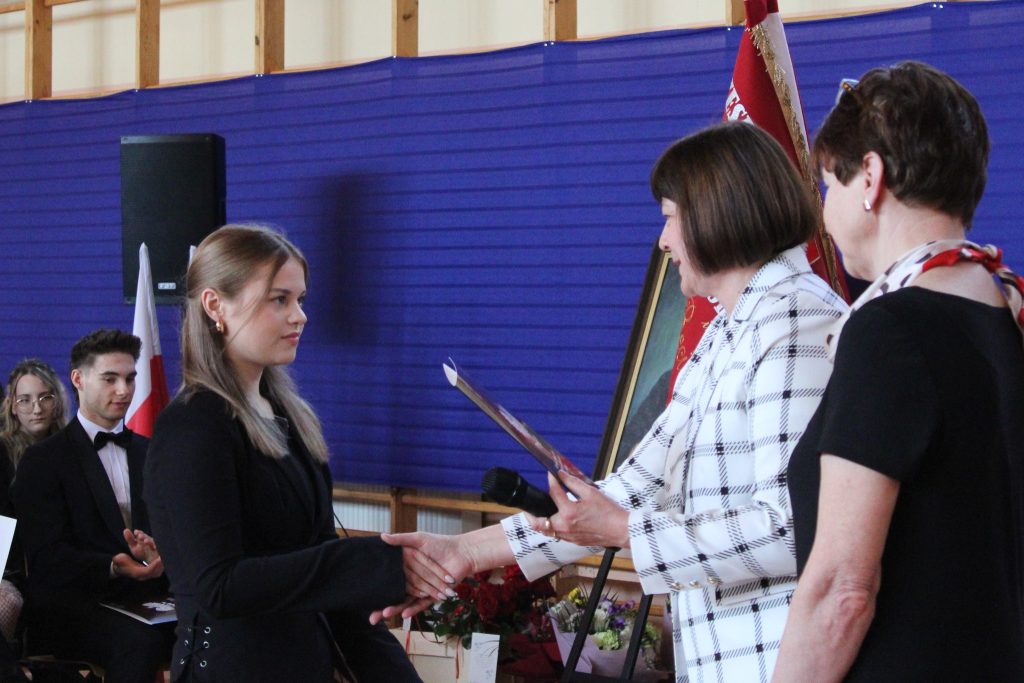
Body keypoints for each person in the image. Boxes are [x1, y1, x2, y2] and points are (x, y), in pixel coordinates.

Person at [378, 122, 849, 682]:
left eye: (670, 217)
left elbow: (791, 528)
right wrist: (465, 553)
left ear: (716, 214)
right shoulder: (729, 330)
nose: (663, 241)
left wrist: (627, 532)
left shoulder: (793, 320)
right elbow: (629, 490)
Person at [775, 61, 1024, 681]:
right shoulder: (1008, 313)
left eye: (827, 186)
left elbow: (842, 591)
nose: (824, 213)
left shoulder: (889, 331)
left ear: (870, 177)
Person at [143, 225, 445, 682]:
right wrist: (370, 561)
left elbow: (329, 587)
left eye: (300, 299)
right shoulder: (192, 426)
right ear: (215, 306)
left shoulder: (289, 416)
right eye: (279, 299)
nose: (300, 316)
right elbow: (219, 587)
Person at [11, 330, 172, 683]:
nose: (124, 390)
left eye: (130, 378)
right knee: (139, 643)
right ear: (78, 379)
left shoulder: (152, 451)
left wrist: (159, 553)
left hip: (151, 598)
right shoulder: (43, 461)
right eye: (110, 379)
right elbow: (46, 558)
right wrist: (115, 566)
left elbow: (173, 529)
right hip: (76, 605)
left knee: (223, 625)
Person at [0, 359, 69, 683]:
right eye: (25, 400)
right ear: (13, 406)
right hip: (11, 565)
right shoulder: (2, 452)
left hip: (62, 562)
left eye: (44, 398)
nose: (36, 408)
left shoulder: (72, 448)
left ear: (57, 400)